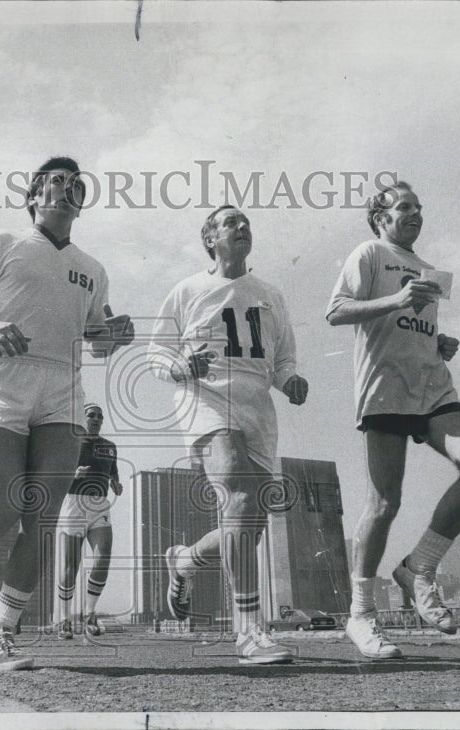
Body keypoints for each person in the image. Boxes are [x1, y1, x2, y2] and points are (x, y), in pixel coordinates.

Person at [0, 156, 134, 671]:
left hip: (62, 393)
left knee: (42, 520)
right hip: (6, 383)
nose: (68, 190)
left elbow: (98, 339)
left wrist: (114, 336)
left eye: (77, 186)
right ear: (33, 195)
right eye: (57, 182)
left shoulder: (94, 270)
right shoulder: (2, 244)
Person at [325, 181, 460, 659]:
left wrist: (439, 343)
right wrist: (399, 300)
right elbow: (336, 311)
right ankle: (361, 616)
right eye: (405, 206)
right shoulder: (369, 252)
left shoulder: (429, 270)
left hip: (433, 387)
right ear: (380, 217)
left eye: (419, 207)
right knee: (385, 503)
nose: (415, 213)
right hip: (385, 389)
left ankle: (419, 567)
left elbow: (417, 326)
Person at [147, 206, 309, 665]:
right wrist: (180, 366)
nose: (241, 227)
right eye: (229, 223)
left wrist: (290, 381)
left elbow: (283, 360)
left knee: (247, 526)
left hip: (258, 406)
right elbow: (157, 353)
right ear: (209, 240)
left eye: (246, 223)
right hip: (206, 400)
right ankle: (249, 631)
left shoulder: (270, 294)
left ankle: (183, 562)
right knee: (236, 493)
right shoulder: (188, 290)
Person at [53, 403, 122, 639]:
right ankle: (63, 619)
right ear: (82, 418)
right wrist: (72, 475)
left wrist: (116, 483)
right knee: (71, 567)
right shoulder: (70, 443)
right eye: (91, 415)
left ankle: (90, 614)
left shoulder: (110, 447)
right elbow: (54, 475)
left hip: (100, 505)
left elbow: (113, 472)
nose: (96, 419)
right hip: (74, 503)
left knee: (102, 559)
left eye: (99, 416)